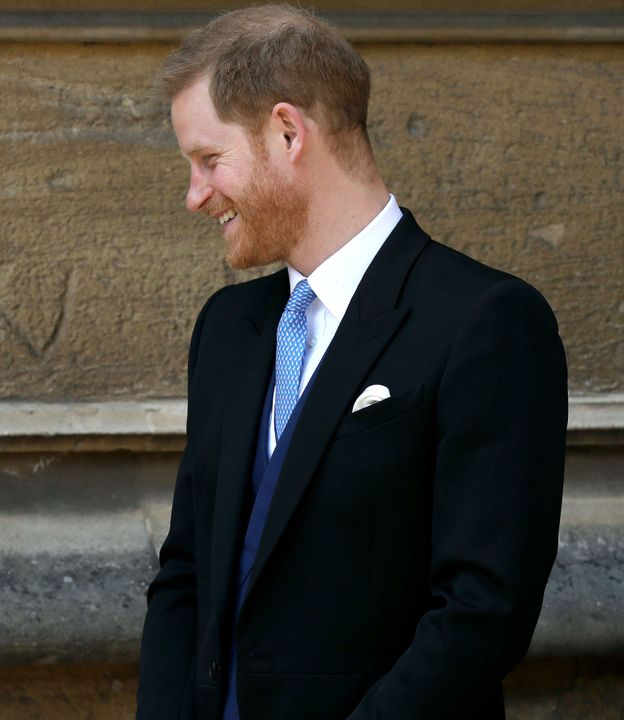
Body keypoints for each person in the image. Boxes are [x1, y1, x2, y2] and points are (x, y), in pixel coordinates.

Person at [136, 6, 567, 719]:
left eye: (210, 160)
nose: (195, 196)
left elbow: (483, 610)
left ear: (287, 132)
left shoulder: (484, 322)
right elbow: (185, 574)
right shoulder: (229, 329)